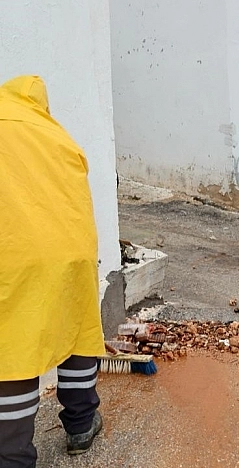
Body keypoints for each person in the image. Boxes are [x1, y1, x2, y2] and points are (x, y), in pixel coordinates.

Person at [0, 75, 105, 467]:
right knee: (76, 327)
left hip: (12, 250)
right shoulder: (58, 137)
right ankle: (80, 425)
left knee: (12, 348)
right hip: (70, 250)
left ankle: (12, 456)